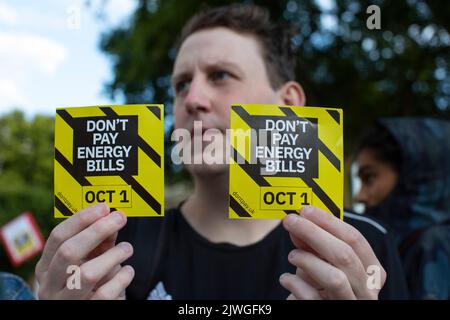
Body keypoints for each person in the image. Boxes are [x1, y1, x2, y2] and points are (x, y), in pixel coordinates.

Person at [35, 4, 408, 300]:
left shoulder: (361, 246)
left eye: (221, 76)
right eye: (181, 85)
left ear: (288, 102)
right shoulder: (111, 244)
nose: (192, 100)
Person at [355, 117, 450, 299]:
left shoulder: (433, 244)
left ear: (412, 178)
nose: (359, 196)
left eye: (369, 178)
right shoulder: (404, 242)